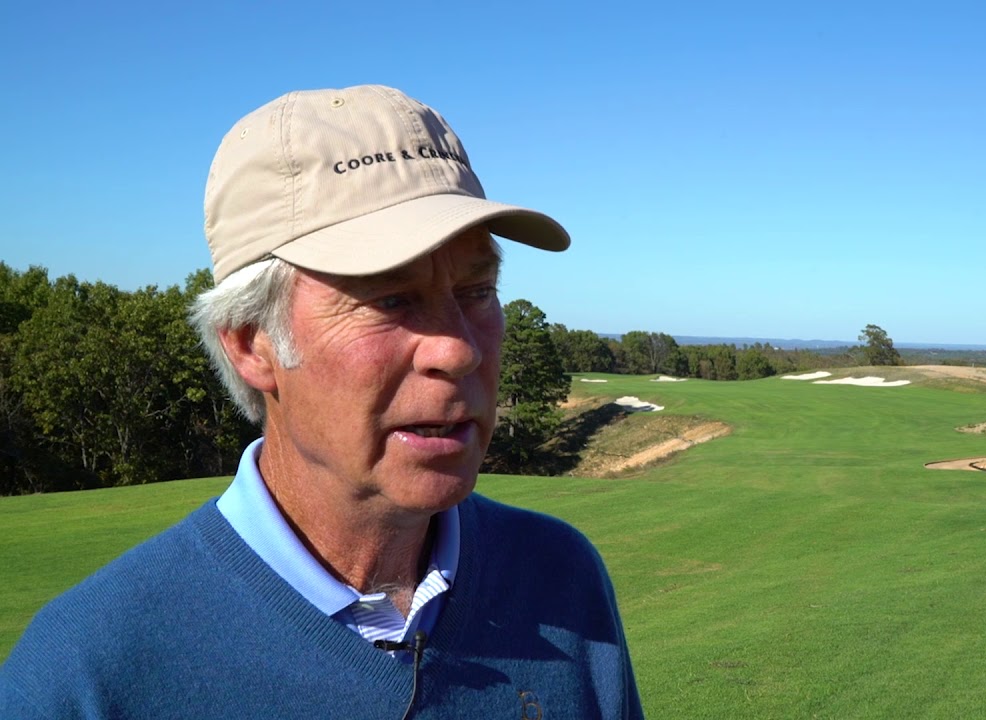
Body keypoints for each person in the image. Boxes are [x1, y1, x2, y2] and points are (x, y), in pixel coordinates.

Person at [1, 84, 642, 719]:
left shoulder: (560, 575)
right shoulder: (85, 673)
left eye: (477, 292)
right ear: (251, 344)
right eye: (391, 300)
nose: (458, 350)